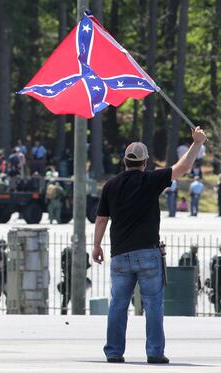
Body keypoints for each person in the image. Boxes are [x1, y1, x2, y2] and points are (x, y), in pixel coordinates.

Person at [92, 126, 207, 364]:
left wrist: (97, 246)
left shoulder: (110, 186)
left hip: (120, 254)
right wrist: (196, 143)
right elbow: (183, 168)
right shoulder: (151, 180)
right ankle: (154, 352)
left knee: (118, 304)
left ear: (125, 161)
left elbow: (101, 219)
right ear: (144, 162)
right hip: (147, 252)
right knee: (153, 304)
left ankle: (113, 352)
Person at [57, 246, 91, 315]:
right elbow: (87, 265)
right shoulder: (84, 254)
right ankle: (78, 311)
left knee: (66, 297)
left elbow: (62, 265)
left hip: (68, 279)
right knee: (76, 296)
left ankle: (64, 312)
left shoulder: (66, 252)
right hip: (78, 279)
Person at [205, 246, 221, 314]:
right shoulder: (215, 259)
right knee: (216, 298)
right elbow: (212, 271)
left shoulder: (215, 259)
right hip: (216, 282)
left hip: (217, 281)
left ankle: (218, 312)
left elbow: (212, 271)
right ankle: (218, 312)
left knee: (217, 298)